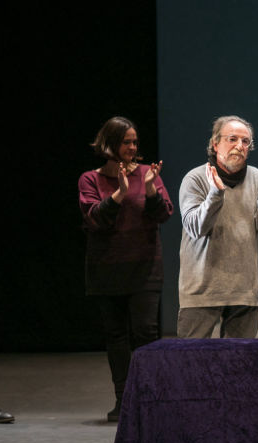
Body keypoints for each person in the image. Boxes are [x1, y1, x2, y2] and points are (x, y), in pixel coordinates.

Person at [78, 116, 173, 422]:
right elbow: (95, 219)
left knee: (146, 332)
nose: (132, 147)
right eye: (126, 142)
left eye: (134, 142)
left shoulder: (147, 174)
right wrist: (119, 193)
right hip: (107, 270)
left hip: (145, 268)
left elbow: (164, 214)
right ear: (109, 144)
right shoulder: (90, 180)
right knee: (116, 335)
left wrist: (151, 189)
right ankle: (123, 400)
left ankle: (150, 398)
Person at [178, 115, 258, 338]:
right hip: (202, 291)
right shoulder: (195, 179)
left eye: (245, 141)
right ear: (215, 144)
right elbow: (196, 227)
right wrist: (215, 194)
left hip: (244, 292)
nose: (239, 146)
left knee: (239, 359)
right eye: (232, 139)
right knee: (192, 358)